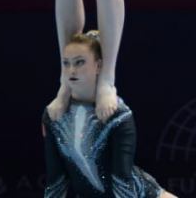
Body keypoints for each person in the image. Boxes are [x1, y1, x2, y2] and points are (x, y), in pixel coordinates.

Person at [42, 31, 174, 198]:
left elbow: (122, 181)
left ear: (98, 66)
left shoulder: (118, 114)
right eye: (66, 63)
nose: (71, 70)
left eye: (79, 62)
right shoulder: (54, 115)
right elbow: (56, 181)